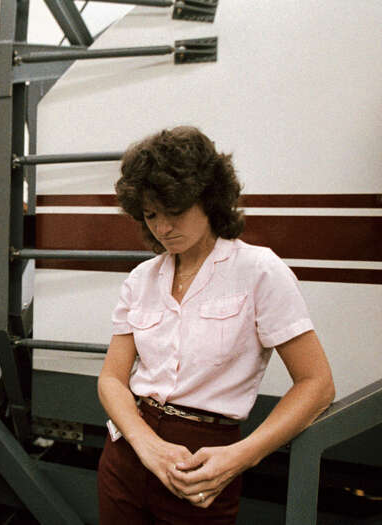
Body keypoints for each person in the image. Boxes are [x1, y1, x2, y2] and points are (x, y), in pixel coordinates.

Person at [97, 126, 334, 524]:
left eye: (174, 211)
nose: (162, 227)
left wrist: (240, 457)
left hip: (204, 463)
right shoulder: (141, 279)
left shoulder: (259, 271)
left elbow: (317, 384)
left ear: (209, 198)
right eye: (151, 215)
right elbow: (111, 378)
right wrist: (146, 444)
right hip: (126, 453)